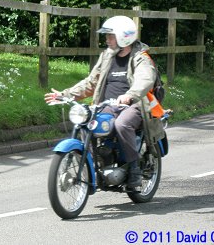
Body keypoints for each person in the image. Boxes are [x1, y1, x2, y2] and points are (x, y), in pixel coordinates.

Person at [44, 15, 158, 188]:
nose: (107, 40)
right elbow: (91, 82)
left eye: (110, 36)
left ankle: (134, 169)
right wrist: (66, 94)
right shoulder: (107, 57)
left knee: (122, 124)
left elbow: (145, 79)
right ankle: (95, 161)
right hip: (108, 105)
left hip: (135, 104)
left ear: (123, 37)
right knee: (88, 122)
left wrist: (130, 95)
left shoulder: (140, 57)